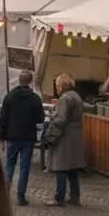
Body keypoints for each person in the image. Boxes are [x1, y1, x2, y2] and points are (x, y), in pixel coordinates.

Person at [0, 70, 44, 206]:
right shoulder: (35, 98)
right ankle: (21, 195)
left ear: (19, 80)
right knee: (24, 167)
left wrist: (1, 138)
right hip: (28, 137)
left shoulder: (10, 96)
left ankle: (5, 194)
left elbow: (3, 119)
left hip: (12, 136)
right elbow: (40, 118)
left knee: (9, 166)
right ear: (30, 82)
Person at [43, 73, 86, 207]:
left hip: (65, 137)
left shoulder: (65, 98)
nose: (56, 88)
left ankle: (59, 197)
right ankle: (75, 196)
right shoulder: (76, 97)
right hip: (75, 136)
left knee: (60, 167)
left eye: (57, 85)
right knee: (72, 168)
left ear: (61, 86)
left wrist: (51, 137)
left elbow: (60, 119)